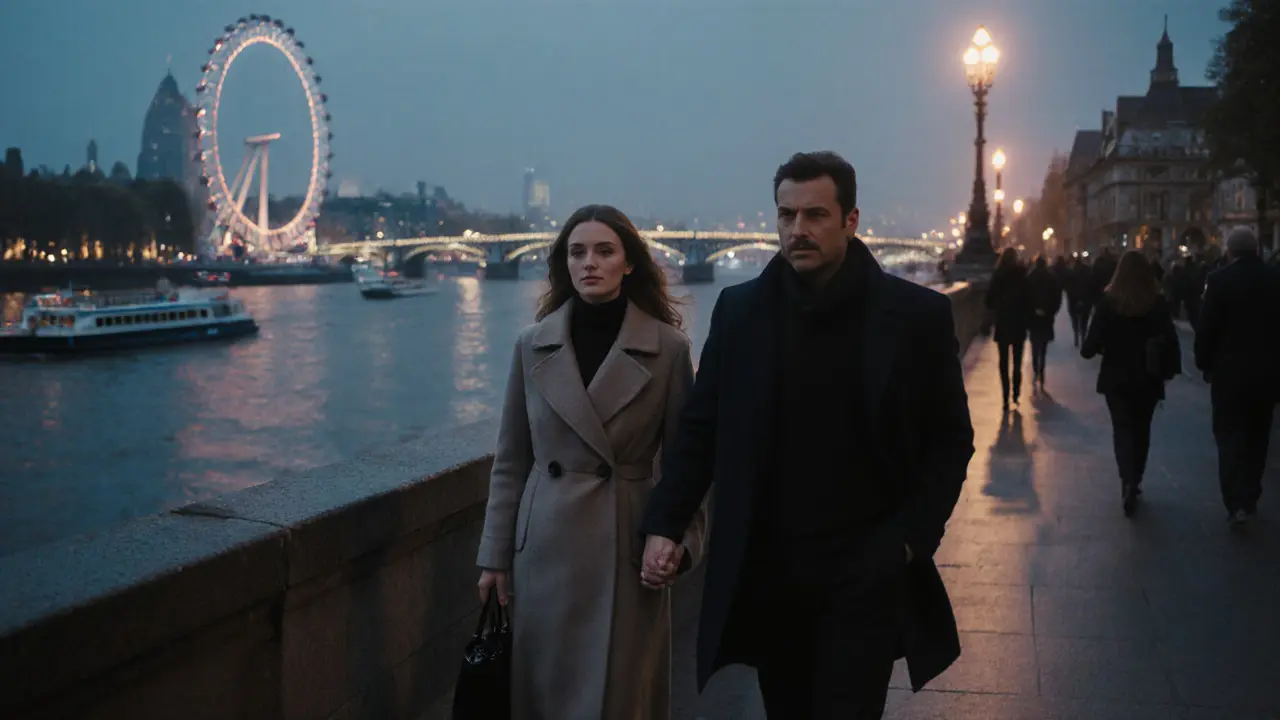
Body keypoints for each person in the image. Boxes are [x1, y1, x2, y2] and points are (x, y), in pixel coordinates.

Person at [638, 151, 975, 718]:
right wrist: (666, 524)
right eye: (786, 215)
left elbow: (950, 440)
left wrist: (909, 541)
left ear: (851, 220)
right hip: (772, 572)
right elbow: (702, 427)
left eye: (815, 215)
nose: (798, 230)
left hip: (866, 569)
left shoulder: (916, 316)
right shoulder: (740, 311)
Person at [474, 204, 708, 720]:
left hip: (626, 544)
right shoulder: (531, 345)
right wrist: (494, 555)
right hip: (545, 550)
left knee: (618, 696)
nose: (590, 263)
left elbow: (687, 465)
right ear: (564, 264)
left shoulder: (668, 350)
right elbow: (512, 460)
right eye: (577, 252)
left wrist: (680, 542)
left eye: (605, 251)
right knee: (546, 694)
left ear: (629, 263)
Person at [1081, 250, 1181, 516]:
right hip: (1148, 377)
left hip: (1116, 378)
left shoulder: (1108, 303)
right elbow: (1171, 340)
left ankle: (1127, 478)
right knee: (1142, 429)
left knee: (1122, 428)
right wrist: (1169, 370)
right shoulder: (1156, 303)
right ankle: (1135, 478)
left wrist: (1102, 347)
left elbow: (1089, 347)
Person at [1193, 227, 1280, 525]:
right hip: (1267, 374)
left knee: (1229, 436)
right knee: (1259, 435)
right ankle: (1251, 492)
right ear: (1255, 249)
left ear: (1230, 251)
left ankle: (1235, 501)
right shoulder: (1274, 279)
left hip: (1228, 373)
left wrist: (1204, 363)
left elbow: (1207, 328)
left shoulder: (1219, 281)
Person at [986, 248, 1032, 409]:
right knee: (1018, 361)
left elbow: (989, 301)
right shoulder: (1022, 276)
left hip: (1003, 323)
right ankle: (1016, 392)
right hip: (1019, 324)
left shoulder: (998, 276)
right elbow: (1029, 301)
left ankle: (1005, 397)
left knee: (1003, 362)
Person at [1026, 254, 1063, 392]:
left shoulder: (1030, 278)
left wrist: (1031, 311)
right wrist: (1051, 311)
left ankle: (1036, 370)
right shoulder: (1051, 278)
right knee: (1044, 346)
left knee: (1035, 344)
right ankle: (1042, 370)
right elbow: (1057, 297)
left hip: (1033, 317)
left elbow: (1026, 298)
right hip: (1047, 317)